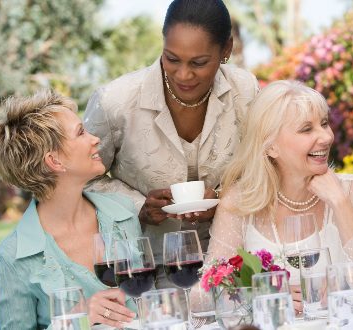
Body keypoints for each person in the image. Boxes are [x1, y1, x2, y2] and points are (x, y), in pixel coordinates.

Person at [83, 0, 259, 285]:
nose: (183, 75)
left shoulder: (245, 90)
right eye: (172, 58)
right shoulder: (115, 101)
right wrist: (137, 206)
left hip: (233, 264)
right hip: (145, 272)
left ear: (226, 50)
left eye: (199, 63)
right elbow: (80, 179)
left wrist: (224, 198)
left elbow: (263, 165)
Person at [207, 80, 353, 306]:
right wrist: (260, 298)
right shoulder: (239, 201)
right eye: (306, 129)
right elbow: (206, 292)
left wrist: (340, 203)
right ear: (271, 146)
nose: (326, 137)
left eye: (324, 124)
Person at [0, 90, 141, 329]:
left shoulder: (123, 214)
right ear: (54, 161)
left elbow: (149, 303)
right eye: (81, 132)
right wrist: (83, 319)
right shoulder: (14, 256)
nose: (95, 138)